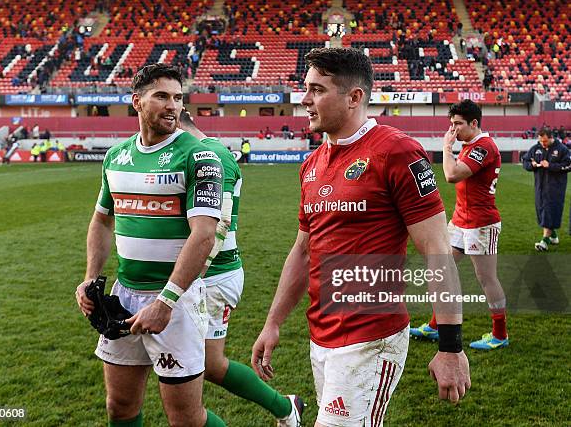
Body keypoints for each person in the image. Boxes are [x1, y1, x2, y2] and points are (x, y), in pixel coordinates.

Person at [251, 48, 470, 427]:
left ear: (354, 98)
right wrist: (273, 322)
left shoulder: (397, 151)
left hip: (371, 337)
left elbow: (437, 249)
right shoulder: (312, 163)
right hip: (321, 334)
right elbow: (303, 251)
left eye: (317, 90)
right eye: (306, 89)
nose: (305, 100)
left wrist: (450, 346)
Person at [75, 63, 226, 427]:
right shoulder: (116, 156)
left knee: (186, 418)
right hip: (123, 297)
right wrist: (90, 278)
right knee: (120, 407)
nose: (172, 105)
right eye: (161, 96)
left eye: (177, 97)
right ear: (137, 101)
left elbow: (205, 233)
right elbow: (102, 219)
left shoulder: (201, 156)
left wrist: (166, 301)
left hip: (174, 300)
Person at [178, 111, 303, 426]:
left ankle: (286, 408)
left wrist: (186, 280)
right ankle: (287, 408)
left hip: (212, 278)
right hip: (206, 277)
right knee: (208, 365)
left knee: (199, 374)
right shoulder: (203, 151)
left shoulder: (212, 154)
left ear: (178, 123)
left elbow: (216, 228)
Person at [411, 99, 510, 351]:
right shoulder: (470, 144)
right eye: (451, 125)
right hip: (460, 220)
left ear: (474, 123)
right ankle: (435, 325)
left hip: (481, 222)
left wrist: (446, 148)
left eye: (457, 124)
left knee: (486, 278)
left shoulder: (483, 146)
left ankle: (500, 334)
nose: (453, 130)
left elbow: (451, 175)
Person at [522, 128, 571, 250]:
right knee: (542, 210)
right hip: (540, 186)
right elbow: (525, 161)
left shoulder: (562, 149)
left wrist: (551, 166)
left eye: (545, 141)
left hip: (556, 187)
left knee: (549, 210)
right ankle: (553, 235)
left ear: (551, 138)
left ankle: (544, 241)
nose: (542, 144)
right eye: (540, 141)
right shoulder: (536, 148)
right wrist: (531, 165)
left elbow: (568, 165)